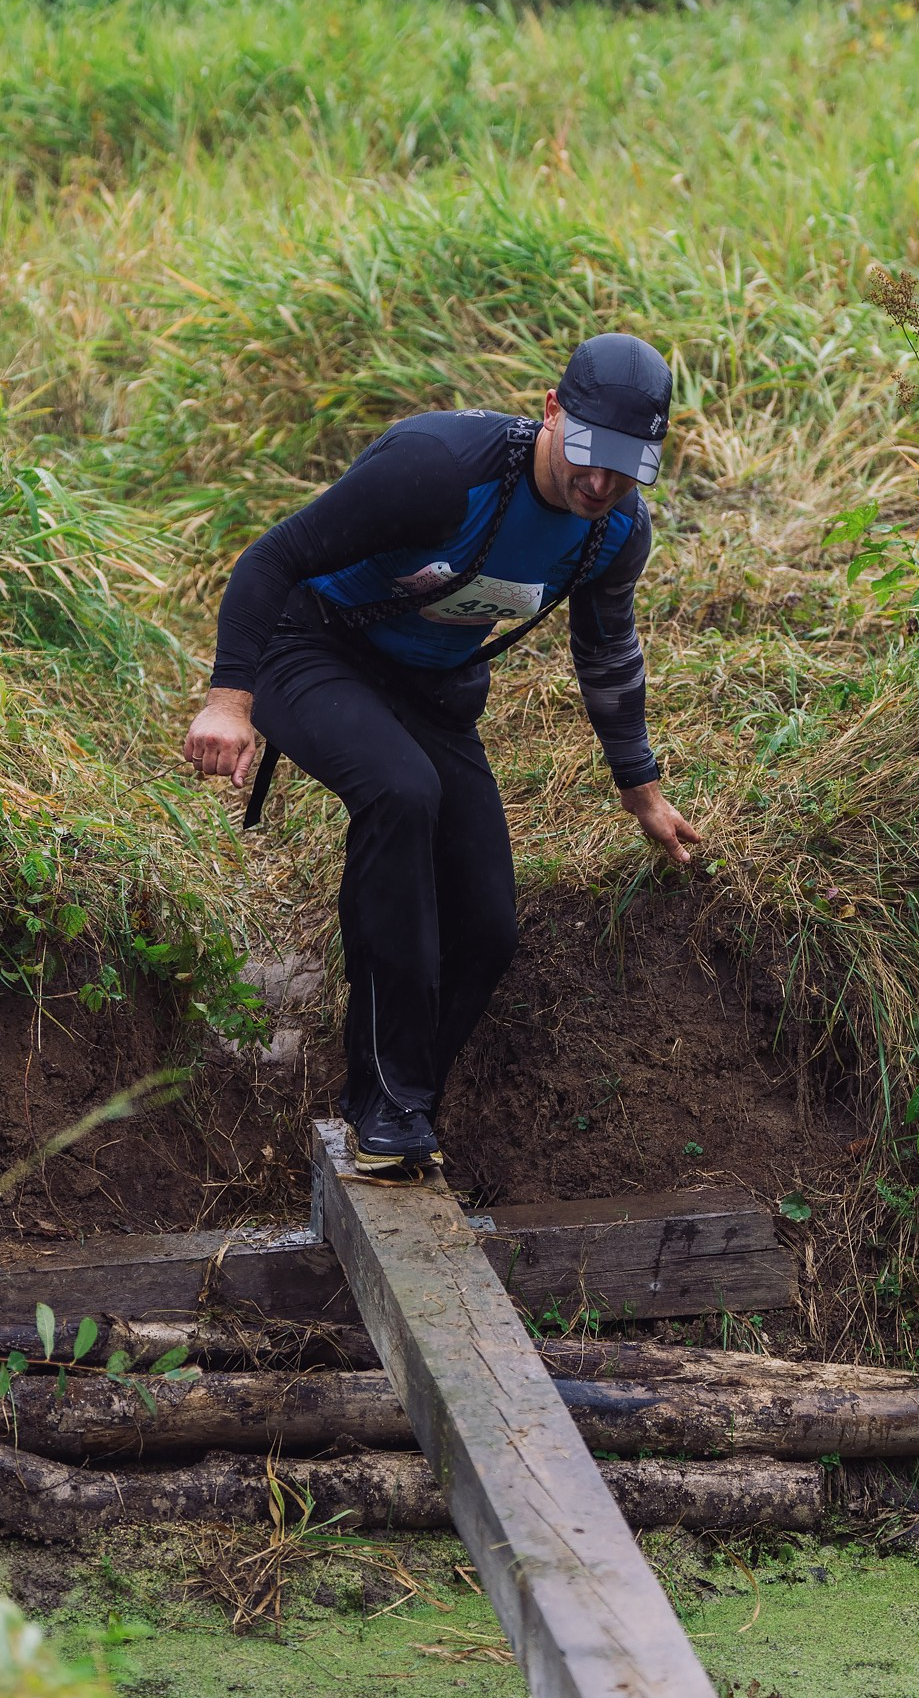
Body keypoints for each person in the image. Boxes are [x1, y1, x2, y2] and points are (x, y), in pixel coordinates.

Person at [184, 333, 703, 1178]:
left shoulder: (613, 531)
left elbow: (607, 650)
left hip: (429, 689)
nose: (600, 483)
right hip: (308, 648)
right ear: (551, 411)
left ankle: (405, 1103)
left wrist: (640, 789)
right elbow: (271, 559)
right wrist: (227, 702)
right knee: (401, 791)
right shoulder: (439, 471)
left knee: (487, 925)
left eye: (626, 468)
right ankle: (384, 1104)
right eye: (588, 452)